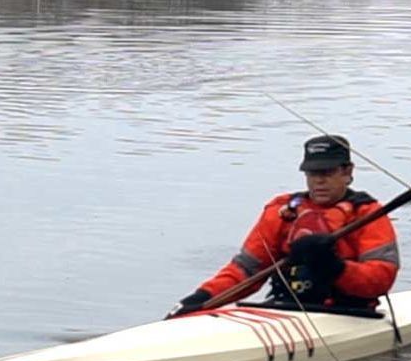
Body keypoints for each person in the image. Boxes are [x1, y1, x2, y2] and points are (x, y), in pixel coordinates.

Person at [166, 135, 399, 318]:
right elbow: (246, 270)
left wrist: (333, 266)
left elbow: (381, 278)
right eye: (312, 173)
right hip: (285, 309)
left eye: (327, 172)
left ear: (347, 172)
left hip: (351, 314)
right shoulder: (282, 212)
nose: (319, 181)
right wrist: (202, 297)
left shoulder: (368, 214)